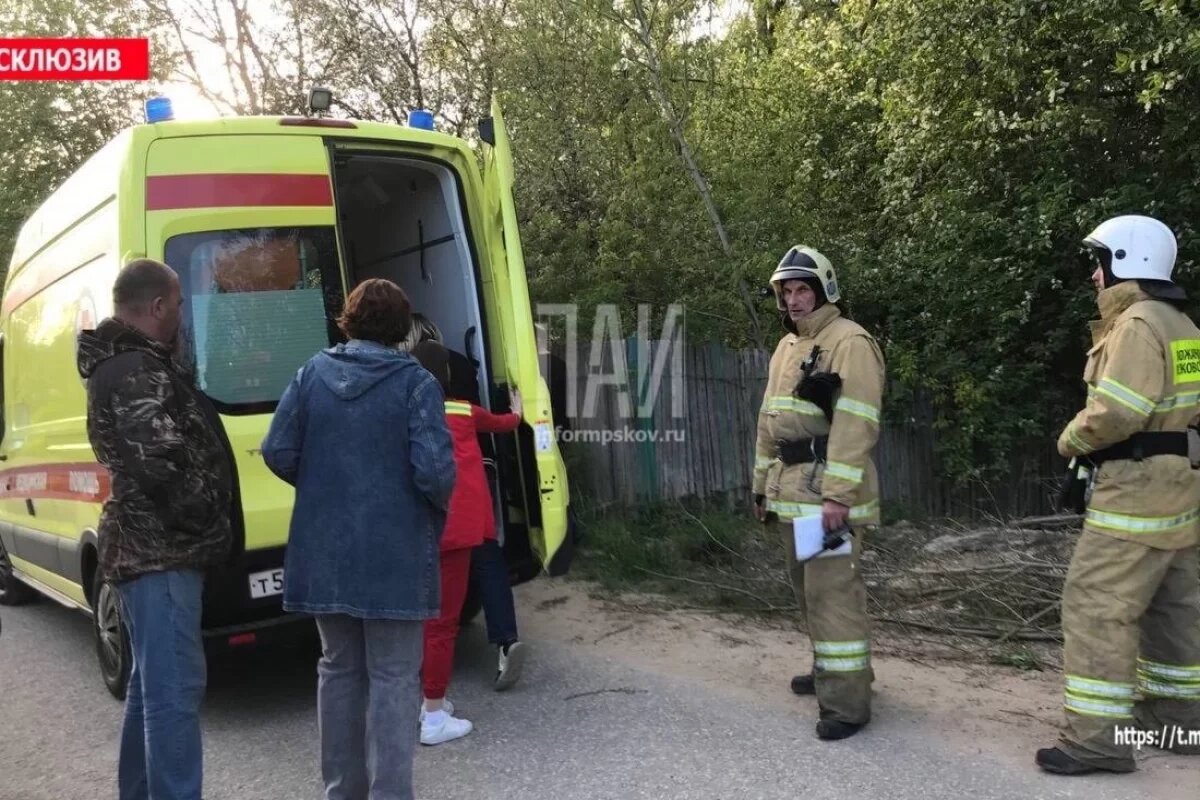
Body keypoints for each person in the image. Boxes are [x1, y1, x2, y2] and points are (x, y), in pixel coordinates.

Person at [261, 278, 455, 800]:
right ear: (401, 326)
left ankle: (342, 792)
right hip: (395, 554)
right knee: (394, 678)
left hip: (324, 551)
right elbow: (435, 472)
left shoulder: (309, 376)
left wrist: (325, 486)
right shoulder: (416, 384)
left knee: (339, 670)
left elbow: (277, 449)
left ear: (348, 319)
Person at [1036, 215, 1200, 775]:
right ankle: (1179, 722)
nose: (1094, 275)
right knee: (1173, 610)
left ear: (1127, 262)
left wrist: (1071, 438)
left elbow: (1120, 412)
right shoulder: (1184, 327)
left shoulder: (1134, 325)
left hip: (1133, 493)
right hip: (1181, 491)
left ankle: (1097, 741)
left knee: (1096, 607)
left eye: (1099, 261)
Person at [77, 258, 235, 800]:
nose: (183, 311)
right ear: (159, 306)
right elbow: (160, 465)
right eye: (179, 301)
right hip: (160, 555)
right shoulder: (135, 370)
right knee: (173, 697)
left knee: (150, 691)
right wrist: (212, 508)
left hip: (146, 552)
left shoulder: (125, 363)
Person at [751, 245, 886, 741]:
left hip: (825, 493)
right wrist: (761, 486)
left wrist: (838, 497)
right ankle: (835, 671)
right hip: (791, 491)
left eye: (803, 288)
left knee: (833, 597)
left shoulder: (850, 342)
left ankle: (847, 705)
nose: (794, 299)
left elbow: (857, 424)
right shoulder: (787, 348)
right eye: (787, 291)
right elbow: (769, 423)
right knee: (810, 596)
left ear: (824, 289)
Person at [410, 341, 524, 742]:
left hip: (423, 529)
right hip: (464, 526)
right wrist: (520, 408)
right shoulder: (463, 410)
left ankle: (424, 701)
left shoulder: (406, 413)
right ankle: (434, 715)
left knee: (422, 619)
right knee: (443, 625)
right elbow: (506, 424)